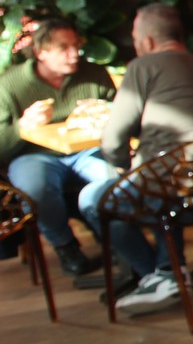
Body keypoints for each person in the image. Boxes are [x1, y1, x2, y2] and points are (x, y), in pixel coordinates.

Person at [78, 3, 193, 314]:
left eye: (135, 39)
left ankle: (161, 275)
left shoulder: (143, 68)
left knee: (92, 199)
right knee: (158, 177)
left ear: (148, 41)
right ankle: (169, 271)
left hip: (166, 189)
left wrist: (122, 165)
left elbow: (113, 140)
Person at [0, 18, 116, 276]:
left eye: (76, 45)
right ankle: (66, 247)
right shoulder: (9, 84)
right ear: (41, 52)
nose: (74, 54)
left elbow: (120, 115)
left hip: (87, 150)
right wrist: (21, 127)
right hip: (34, 154)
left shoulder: (94, 74)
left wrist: (104, 113)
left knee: (112, 180)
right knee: (36, 189)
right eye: (64, 47)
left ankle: (116, 241)